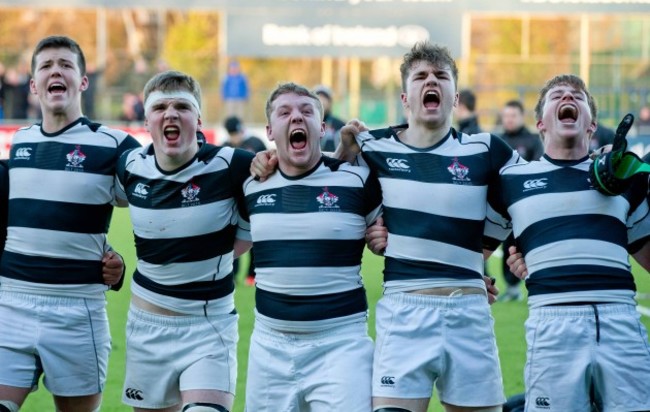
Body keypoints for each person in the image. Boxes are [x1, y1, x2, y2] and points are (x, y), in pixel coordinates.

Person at [251, 41, 514, 412]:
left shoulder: (488, 149)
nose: (430, 82)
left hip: (468, 309)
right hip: (404, 310)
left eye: (441, 76)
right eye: (420, 77)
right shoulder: (374, 147)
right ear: (405, 98)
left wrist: (477, 262)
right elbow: (326, 175)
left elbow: (531, 197)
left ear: (455, 98)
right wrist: (269, 159)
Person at [487, 74, 650, 411]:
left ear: (591, 126)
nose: (569, 98)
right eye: (557, 95)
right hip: (552, 323)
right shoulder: (511, 181)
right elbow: (472, 248)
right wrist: (479, 279)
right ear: (540, 124)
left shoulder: (623, 179)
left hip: (620, 321)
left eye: (578, 96)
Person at [0, 35, 139, 412]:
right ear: (33, 85)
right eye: (45, 66)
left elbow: (157, 199)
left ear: (82, 81)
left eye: (65, 65)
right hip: (11, 301)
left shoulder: (117, 144)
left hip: (77, 307)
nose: (55, 71)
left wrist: (121, 266)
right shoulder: (20, 142)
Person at [116, 70, 254, 412]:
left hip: (209, 326)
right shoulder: (130, 165)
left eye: (182, 106)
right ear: (147, 121)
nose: (171, 113)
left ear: (199, 118)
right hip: (147, 327)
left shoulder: (233, 165)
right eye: (160, 107)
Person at [242, 82, 382, 411]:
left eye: (307, 112)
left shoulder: (357, 179)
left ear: (321, 127)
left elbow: (398, 232)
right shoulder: (250, 185)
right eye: (285, 112)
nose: (297, 118)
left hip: (340, 344)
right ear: (269, 130)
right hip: (269, 346)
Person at [496, 99, 543, 301]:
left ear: (521, 117)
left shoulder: (533, 140)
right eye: (506, 116)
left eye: (513, 116)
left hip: (529, 205)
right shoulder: (496, 142)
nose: (509, 120)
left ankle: (539, 285)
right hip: (504, 207)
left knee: (533, 247)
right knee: (507, 248)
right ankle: (512, 288)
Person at [223, 115, 266, 286]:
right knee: (231, 238)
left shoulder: (255, 142)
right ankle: (231, 275)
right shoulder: (225, 148)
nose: (236, 136)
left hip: (254, 198)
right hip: (233, 200)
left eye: (237, 132)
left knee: (254, 237)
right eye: (232, 133)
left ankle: (252, 275)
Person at [313, 84, 346, 152]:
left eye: (325, 97)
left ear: (330, 102)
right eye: (318, 97)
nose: (321, 101)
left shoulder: (340, 125)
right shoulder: (307, 122)